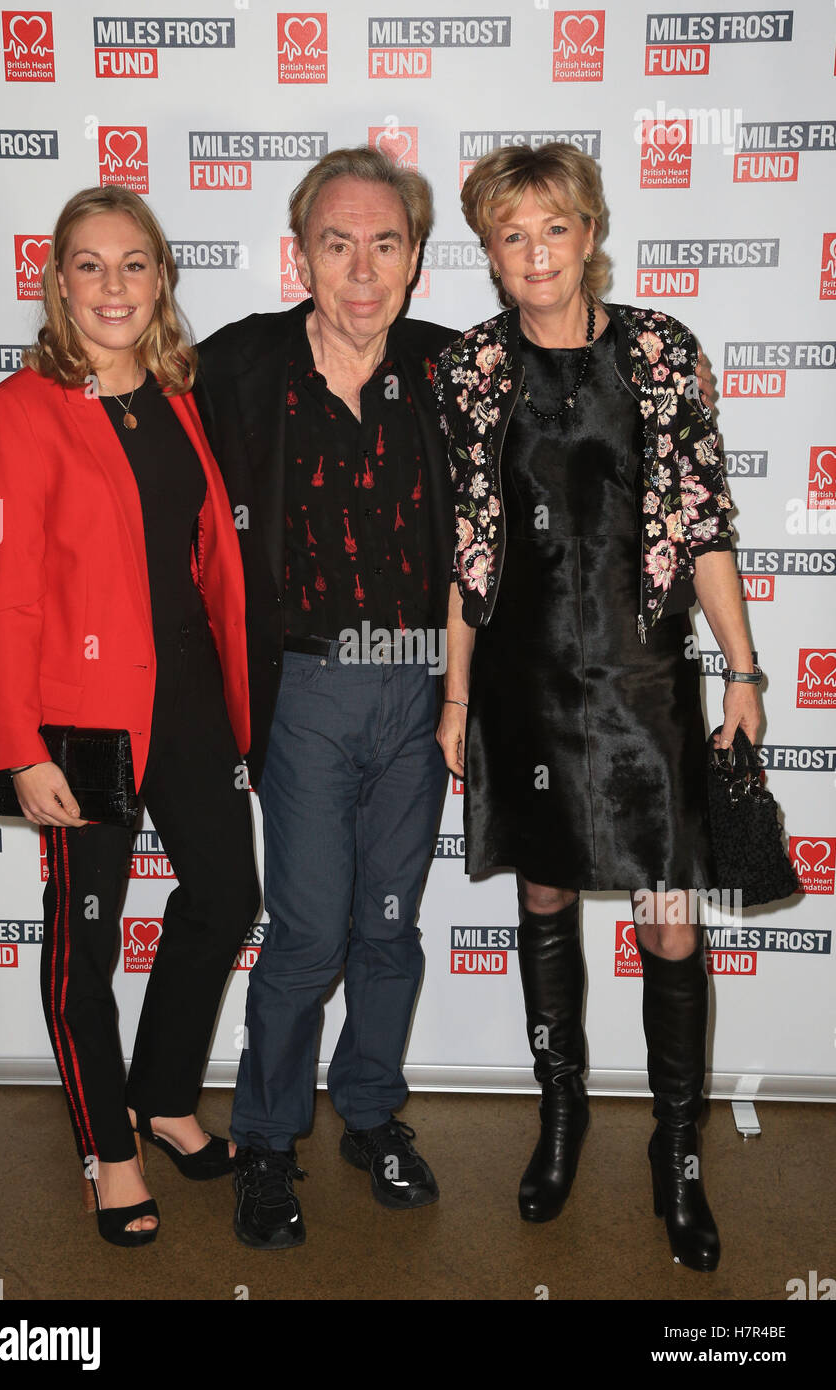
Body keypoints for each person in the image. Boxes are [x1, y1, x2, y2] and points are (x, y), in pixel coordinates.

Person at [434, 144, 760, 1272]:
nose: (533, 254)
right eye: (509, 236)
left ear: (588, 233)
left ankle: (678, 1155)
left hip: (644, 679)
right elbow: (469, 546)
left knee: (667, 914)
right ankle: (559, 1119)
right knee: (542, 894)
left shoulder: (662, 352)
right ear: (488, 252)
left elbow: (702, 520)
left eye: (552, 230)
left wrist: (744, 671)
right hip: (523, 681)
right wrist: (456, 692)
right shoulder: (472, 366)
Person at [0, 186, 260, 1247]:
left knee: (227, 893)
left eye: (133, 263)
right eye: (89, 265)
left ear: (161, 276)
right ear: (58, 281)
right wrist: (21, 742)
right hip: (81, 714)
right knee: (83, 945)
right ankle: (111, 1150)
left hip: (185, 695)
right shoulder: (22, 406)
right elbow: (11, 590)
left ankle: (163, 1093)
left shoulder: (178, 396)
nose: (113, 286)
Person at [195, 147, 457, 1249]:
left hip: (421, 688)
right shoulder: (235, 366)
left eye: (385, 243)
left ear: (413, 260)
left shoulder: (454, 370)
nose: (361, 267)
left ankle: (368, 1111)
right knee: (306, 930)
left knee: (390, 928)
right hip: (301, 684)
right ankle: (264, 1137)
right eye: (337, 242)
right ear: (299, 254)